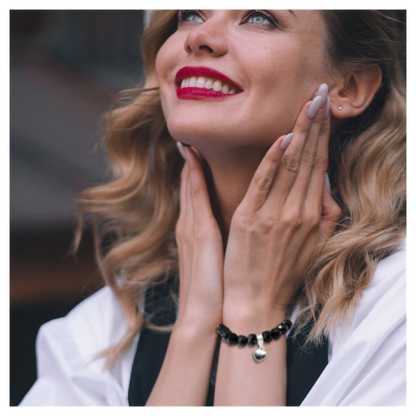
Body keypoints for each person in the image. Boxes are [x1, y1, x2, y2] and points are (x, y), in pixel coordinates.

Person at [19, 6, 409, 410]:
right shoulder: (103, 330)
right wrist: (194, 324)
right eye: (190, 14)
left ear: (349, 86)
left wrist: (254, 311)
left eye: (260, 16)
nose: (199, 36)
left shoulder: (396, 307)